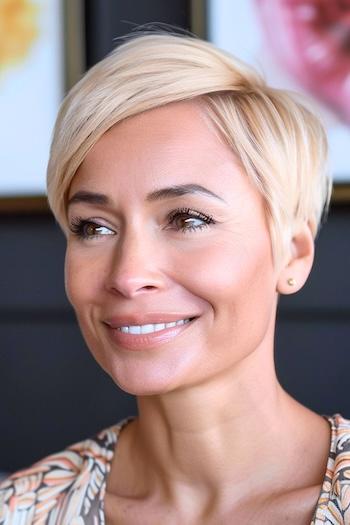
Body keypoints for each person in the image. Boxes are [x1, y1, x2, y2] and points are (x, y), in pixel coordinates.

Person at [0, 30, 349, 525]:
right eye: (94, 227)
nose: (128, 274)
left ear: (292, 255)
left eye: (187, 219)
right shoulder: (22, 511)